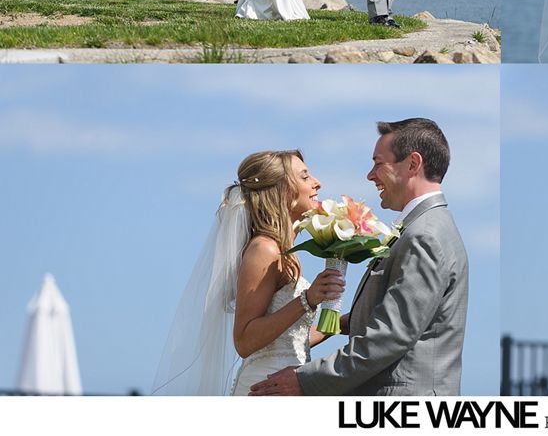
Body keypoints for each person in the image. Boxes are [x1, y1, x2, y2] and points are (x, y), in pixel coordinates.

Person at [249, 118, 469, 396]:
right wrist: (342, 322)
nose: (370, 175)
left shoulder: (424, 235)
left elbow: (391, 335)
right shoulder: (423, 228)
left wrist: (305, 380)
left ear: (413, 164)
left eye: (378, 163)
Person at [151, 150, 344, 395]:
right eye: (305, 177)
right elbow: (244, 341)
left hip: (284, 384)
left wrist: (337, 325)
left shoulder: (285, 251)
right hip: (263, 387)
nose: (317, 183)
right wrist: (308, 299)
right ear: (282, 190)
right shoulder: (264, 249)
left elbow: (286, 343)